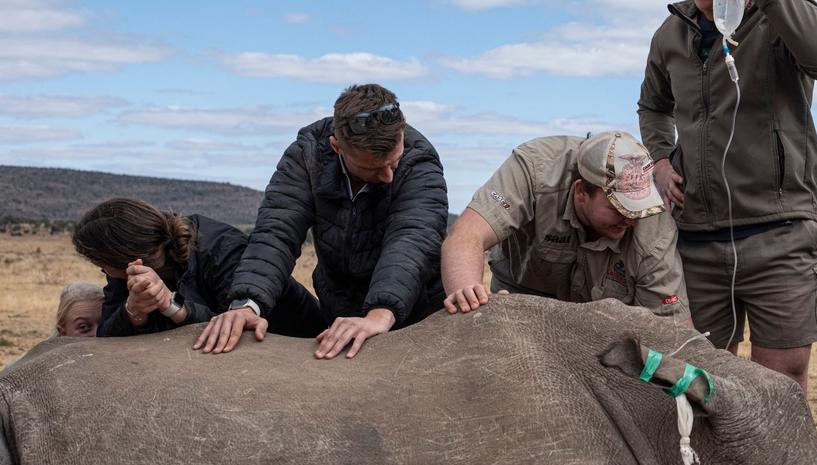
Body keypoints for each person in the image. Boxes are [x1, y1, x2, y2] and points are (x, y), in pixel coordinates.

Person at [638, 0, 817, 394]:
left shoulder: (781, 16)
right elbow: (653, 105)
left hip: (780, 231)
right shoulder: (670, 33)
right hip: (696, 236)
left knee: (780, 381)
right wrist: (661, 161)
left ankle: (781, 459)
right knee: (696, 381)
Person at [195, 83, 448, 359]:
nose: (388, 176)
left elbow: (413, 237)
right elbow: (277, 231)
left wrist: (380, 314)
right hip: (339, 310)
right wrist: (246, 305)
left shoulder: (419, 159)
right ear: (336, 146)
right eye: (372, 168)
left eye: (393, 163)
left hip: (416, 312)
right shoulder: (308, 155)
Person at [440, 131, 688, 322]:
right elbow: (465, 237)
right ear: (581, 192)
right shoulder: (534, 170)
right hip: (522, 301)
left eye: (638, 209)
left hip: (605, 322)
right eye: (619, 209)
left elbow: (668, 326)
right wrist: (469, 299)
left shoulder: (654, 227)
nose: (632, 220)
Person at [72, 198, 323, 338]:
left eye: (101, 264)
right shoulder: (126, 273)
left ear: (130, 259)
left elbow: (236, 327)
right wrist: (133, 311)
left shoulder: (222, 249)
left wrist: (173, 305)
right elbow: (106, 334)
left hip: (296, 338)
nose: (103, 272)